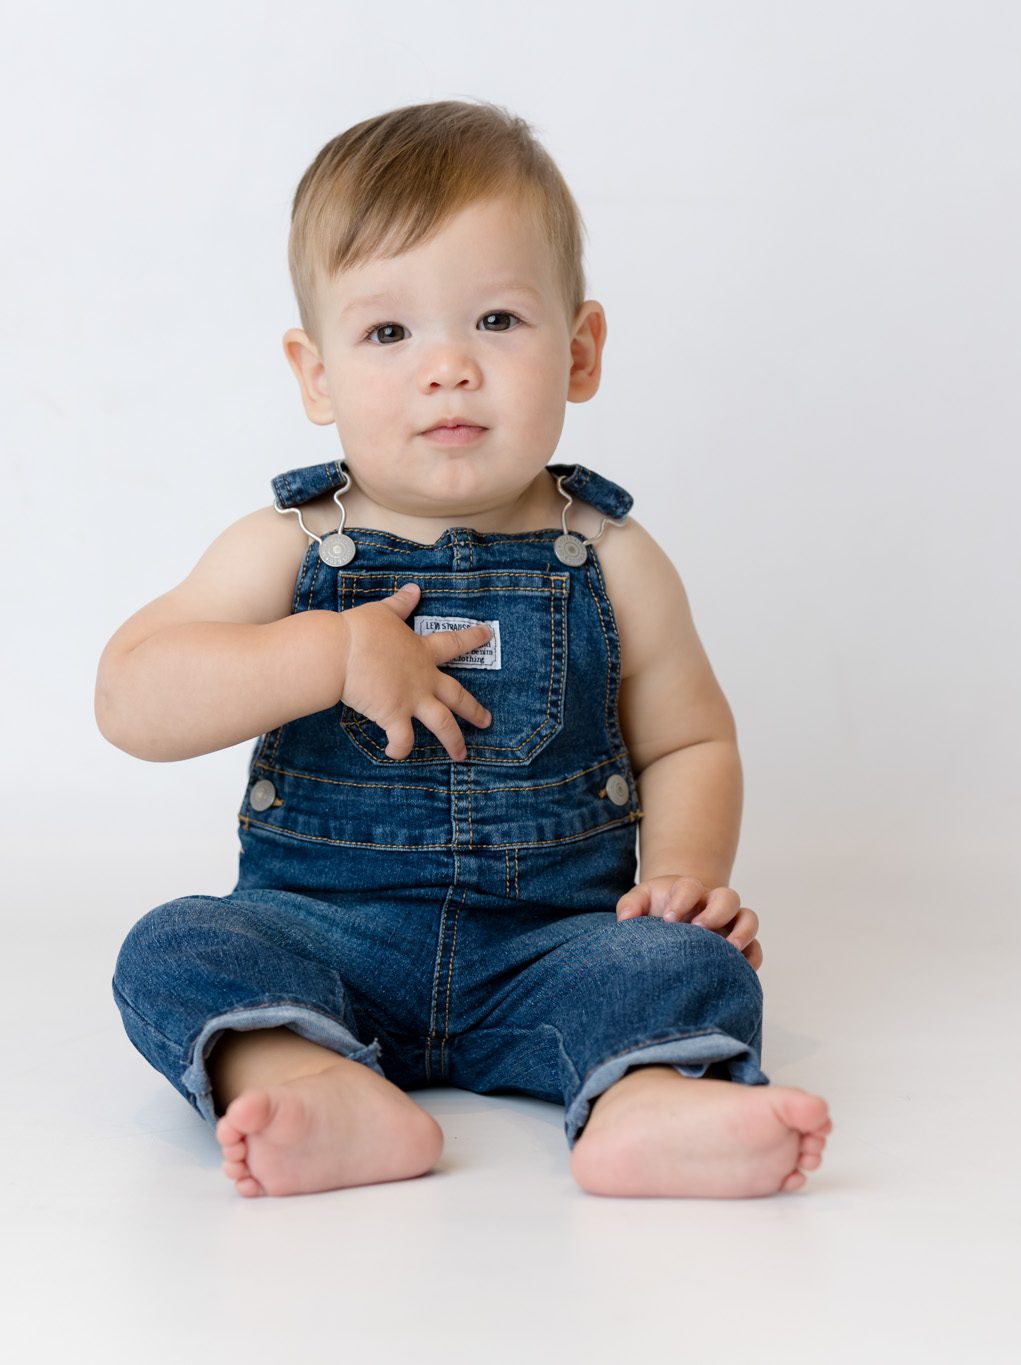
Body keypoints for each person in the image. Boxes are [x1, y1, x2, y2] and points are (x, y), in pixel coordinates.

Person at [98, 99, 832, 1198]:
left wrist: (685, 878)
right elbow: (131, 696)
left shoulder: (611, 558)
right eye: (389, 334)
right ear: (315, 375)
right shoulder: (287, 550)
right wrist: (322, 651)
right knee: (177, 945)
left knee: (687, 965)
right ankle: (305, 1074)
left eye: (495, 321)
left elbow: (687, 740)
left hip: (553, 949)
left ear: (578, 351)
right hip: (321, 937)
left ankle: (644, 1101)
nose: (447, 368)